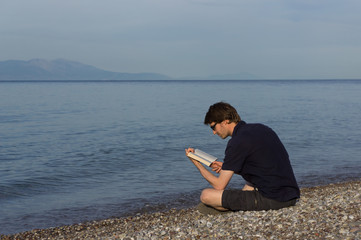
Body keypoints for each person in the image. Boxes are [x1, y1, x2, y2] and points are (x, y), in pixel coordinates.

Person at [185, 102, 300, 212]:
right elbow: (263, 167)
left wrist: (197, 163)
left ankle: (231, 207)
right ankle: (235, 204)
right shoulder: (261, 129)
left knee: (206, 195)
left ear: (225, 121)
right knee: (248, 183)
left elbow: (219, 185)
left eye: (213, 127)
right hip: (290, 194)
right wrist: (227, 167)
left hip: (274, 199)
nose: (214, 132)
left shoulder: (236, 142)